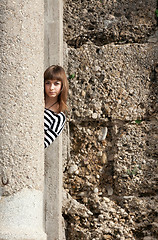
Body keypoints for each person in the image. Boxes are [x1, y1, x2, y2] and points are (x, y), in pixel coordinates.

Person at [44, 65, 68, 148]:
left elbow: (43, 144)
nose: (51, 88)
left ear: (62, 86)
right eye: (48, 83)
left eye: (56, 83)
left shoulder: (59, 117)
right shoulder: (35, 102)